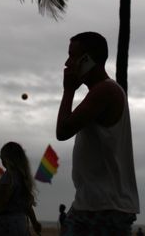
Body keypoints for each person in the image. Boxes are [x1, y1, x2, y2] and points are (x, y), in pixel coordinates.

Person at [55, 31, 140, 235]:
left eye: (73, 56)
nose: (67, 63)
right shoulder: (103, 91)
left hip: (104, 207)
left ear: (87, 60)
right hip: (94, 204)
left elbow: (63, 130)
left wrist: (68, 90)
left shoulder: (104, 91)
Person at [0, 142, 41, 236]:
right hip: (21, 223)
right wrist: (35, 223)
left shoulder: (8, 176)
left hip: (7, 225)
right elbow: (28, 206)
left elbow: (2, 202)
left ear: (7, 159)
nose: (1, 161)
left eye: (2, 158)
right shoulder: (23, 177)